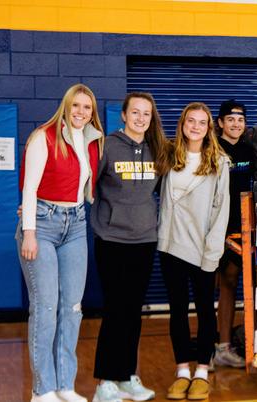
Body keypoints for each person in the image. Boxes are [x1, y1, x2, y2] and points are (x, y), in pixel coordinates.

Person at [16, 83, 104, 402]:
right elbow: (29, 187)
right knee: (46, 307)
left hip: (76, 223)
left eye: (87, 107)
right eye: (76, 106)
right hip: (41, 223)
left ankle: (65, 384)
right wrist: (29, 232)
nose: (81, 112)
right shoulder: (44, 136)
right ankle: (42, 390)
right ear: (65, 106)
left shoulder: (92, 140)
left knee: (72, 308)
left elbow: (87, 185)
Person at [91, 92, 170, 402]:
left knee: (133, 312)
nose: (140, 118)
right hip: (112, 241)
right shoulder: (107, 146)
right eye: (135, 112)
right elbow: (84, 183)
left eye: (146, 114)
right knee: (115, 311)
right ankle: (105, 382)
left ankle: (127, 377)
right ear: (123, 115)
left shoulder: (157, 149)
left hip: (144, 240)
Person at [158, 102, 230, 400]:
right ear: (183, 123)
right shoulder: (167, 155)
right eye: (191, 121)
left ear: (209, 127)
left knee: (204, 311)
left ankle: (202, 371)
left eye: (202, 122)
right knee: (177, 311)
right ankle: (182, 371)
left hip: (202, 250)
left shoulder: (219, 161)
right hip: (170, 246)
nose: (196, 126)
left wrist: (212, 253)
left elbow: (221, 210)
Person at [213, 99, 253, 369]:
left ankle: (225, 347)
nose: (235, 124)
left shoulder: (250, 148)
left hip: (242, 229)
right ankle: (211, 348)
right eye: (230, 119)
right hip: (214, 228)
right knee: (212, 286)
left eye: (240, 120)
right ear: (220, 123)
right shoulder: (210, 148)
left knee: (233, 283)